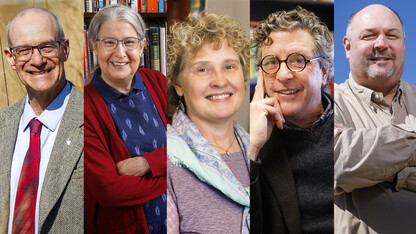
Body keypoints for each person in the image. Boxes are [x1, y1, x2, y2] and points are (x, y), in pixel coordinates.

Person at [250, 7, 334, 233]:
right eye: (271, 62)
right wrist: (251, 151)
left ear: (324, 71)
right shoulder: (248, 140)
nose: (283, 75)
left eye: (298, 60)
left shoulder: (356, 123)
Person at [84, 5, 167, 234]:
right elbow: (110, 190)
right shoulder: (83, 109)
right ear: (94, 46)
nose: (120, 53)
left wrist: (148, 163)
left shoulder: (159, 82)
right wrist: (176, 173)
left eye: (129, 42)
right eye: (109, 42)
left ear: (142, 46)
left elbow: (196, 145)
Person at [0, 7, 83, 233]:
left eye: (47, 47)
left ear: (64, 49)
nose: (37, 60)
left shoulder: (94, 120)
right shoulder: (2, 125)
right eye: (24, 50)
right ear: (11, 58)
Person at [166, 11, 250, 233]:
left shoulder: (263, 152)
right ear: (178, 84)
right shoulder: (165, 162)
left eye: (229, 66)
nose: (220, 81)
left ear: (243, 76)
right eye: (203, 69)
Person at [334, 4, 416, 233]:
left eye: (392, 35)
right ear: (348, 47)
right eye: (369, 35)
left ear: (403, 44)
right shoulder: (328, 102)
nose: (382, 44)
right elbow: (338, 162)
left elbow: (354, 158)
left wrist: (380, 166)